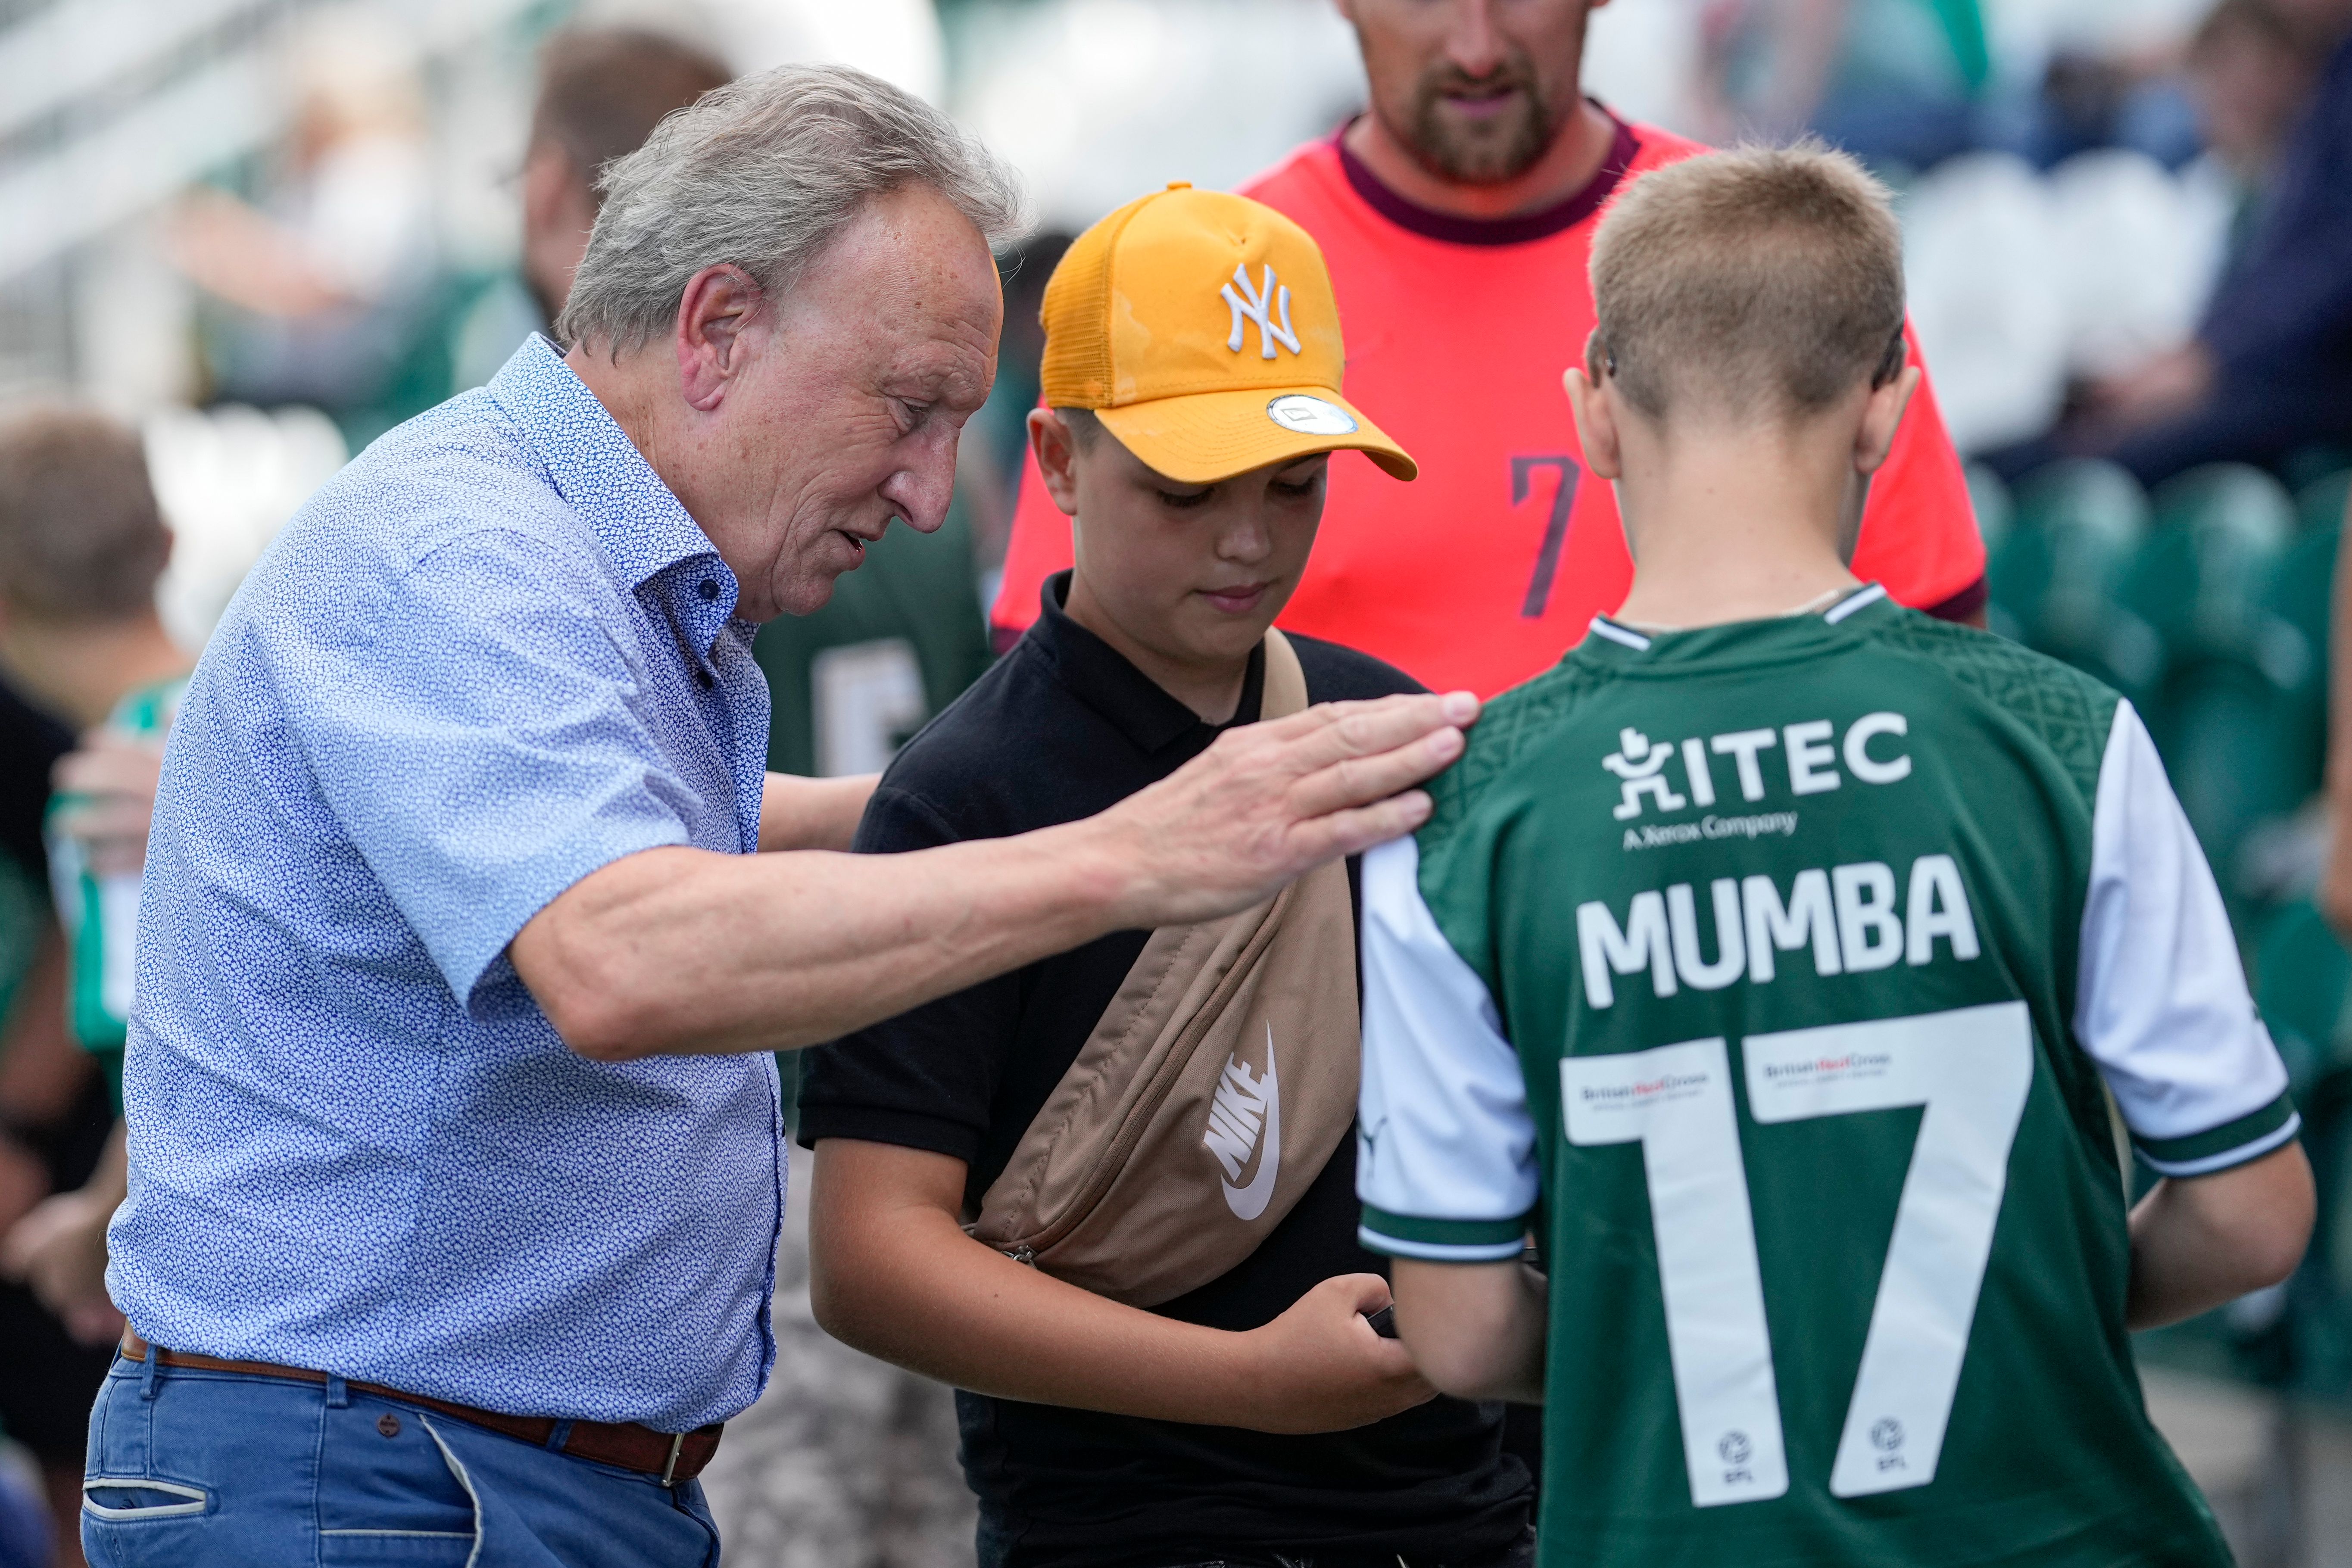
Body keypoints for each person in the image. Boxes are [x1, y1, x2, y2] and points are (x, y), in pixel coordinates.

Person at [88, 65, 1475, 1568]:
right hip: (390, 1477)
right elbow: (624, 951)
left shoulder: (557, 552)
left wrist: (1032, 786)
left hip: (451, 1471)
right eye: (908, 406)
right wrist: (1129, 850)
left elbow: (689, 838)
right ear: (716, 329)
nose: (935, 494)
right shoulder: (460, 551)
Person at [1353, 141, 2316, 1566]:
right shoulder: (2061, 738)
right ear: (1887, 408)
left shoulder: (1455, 810)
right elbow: (2245, 1214)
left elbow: (1456, 1320)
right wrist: (2004, 1300)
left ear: (1592, 412)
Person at [799, 184, 1533, 1568]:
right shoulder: (964, 795)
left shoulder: (1387, 736)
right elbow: (870, 1255)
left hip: (1460, 1520)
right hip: (1123, 1531)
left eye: (1292, 487)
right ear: (1058, 463)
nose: (1247, 540)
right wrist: (1250, 1380)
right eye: (1186, 491)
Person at [989, 0, 1989, 696]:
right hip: (1317, 966)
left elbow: (1938, 669)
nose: (1474, 46)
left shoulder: (1774, 255)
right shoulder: (1183, 278)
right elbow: (1059, 706)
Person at [0, 405, 190, 1568]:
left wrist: (91, 1227)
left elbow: (167, 1041)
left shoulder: (116, 782)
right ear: (164, 541)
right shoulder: (235, 696)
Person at [2065, 0, 2352, 483]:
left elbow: (2328, 268)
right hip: (2263, 374)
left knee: (2084, 465)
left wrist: (2209, 361)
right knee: (2028, 455)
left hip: (2312, 390)